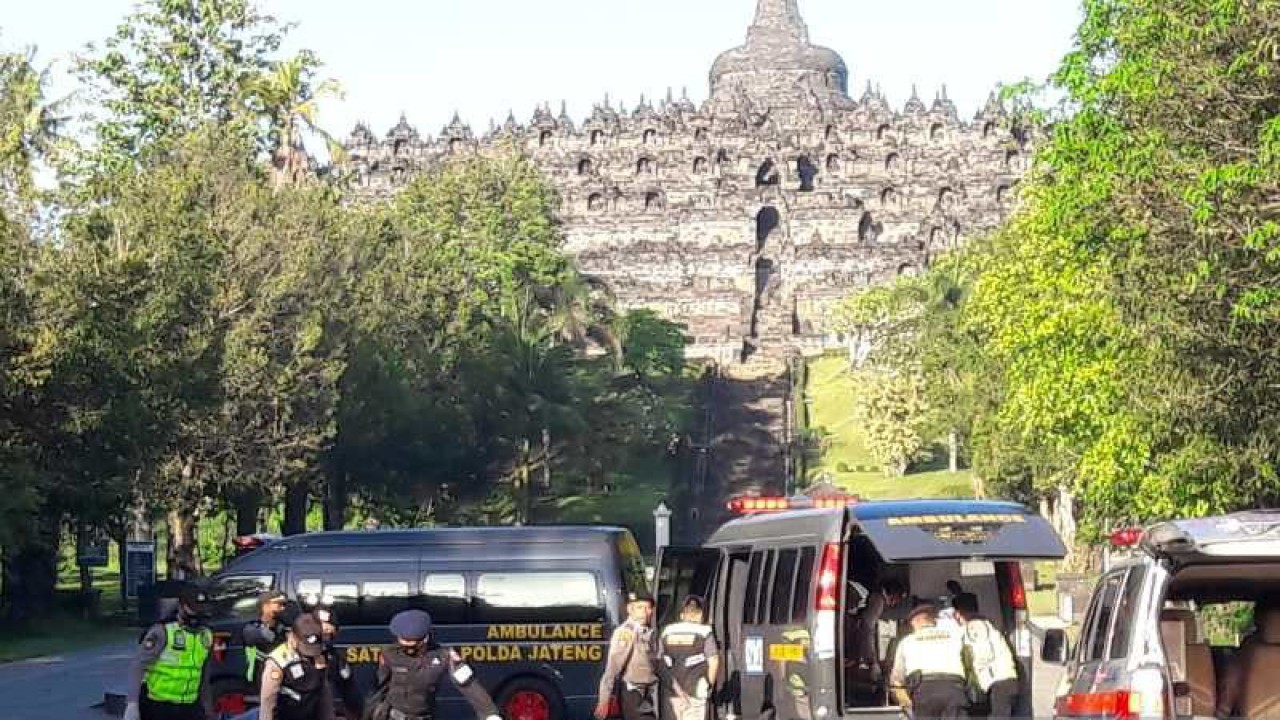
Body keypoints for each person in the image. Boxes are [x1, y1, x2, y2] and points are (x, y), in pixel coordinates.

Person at [372, 609, 501, 720]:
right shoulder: (389, 653)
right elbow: (380, 687)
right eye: (403, 642)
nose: (406, 648)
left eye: (412, 645)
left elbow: (469, 685)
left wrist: (490, 714)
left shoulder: (444, 656)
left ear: (425, 639)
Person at [124, 584, 216, 720]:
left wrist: (207, 708)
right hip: (158, 706)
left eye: (202, 610)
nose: (198, 614)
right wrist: (132, 704)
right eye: (194, 610)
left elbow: (204, 675)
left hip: (190, 707)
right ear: (181, 607)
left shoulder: (206, 636)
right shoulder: (163, 632)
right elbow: (138, 665)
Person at [888, 603, 968, 720]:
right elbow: (968, 660)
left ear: (916, 621)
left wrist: (907, 705)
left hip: (924, 690)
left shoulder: (907, 641)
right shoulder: (954, 635)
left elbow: (896, 681)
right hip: (954, 688)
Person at [952, 593, 1019, 718]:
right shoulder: (987, 625)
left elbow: (983, 654)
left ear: (958, 614)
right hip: (1003, 683)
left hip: (999, 683)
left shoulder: (975, 628)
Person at [595, 592, 659, 720]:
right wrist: (604, 699)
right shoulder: (627, 632)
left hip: (649, 693)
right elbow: (612, 668)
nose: (645, 612)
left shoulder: (648, 631)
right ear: (630, 609)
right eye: (640, 607)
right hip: (633, 693)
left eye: (648, 608)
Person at [259, 613, 334, 720]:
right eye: (306, 648)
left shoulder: (319, 655)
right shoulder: (278, 661)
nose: (310, 654)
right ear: (292, 637)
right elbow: (268, 702)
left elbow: (324, 693)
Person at [658, 596, 719, 720]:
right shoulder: (704, 632)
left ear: (682, 615)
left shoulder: (667, 631)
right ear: (700, 615)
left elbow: (658, 661)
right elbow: (714, 661)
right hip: (695, 691)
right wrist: (708, 685)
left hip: (671, 692)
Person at [847, 578, 908, 670]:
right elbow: (867, 629)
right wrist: (872, 662)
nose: (895, 604)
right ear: (893, 597)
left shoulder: (870, 592)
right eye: (898, 600)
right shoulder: (878, 599)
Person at [314, 605, 362, 720]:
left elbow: (348, 691)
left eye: (327, 630)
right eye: (319, 627)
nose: (323, 631)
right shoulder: (295, 655)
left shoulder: (335, 658)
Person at [243, 590, 290, 689]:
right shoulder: (252, 627)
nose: (283, 608)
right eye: (279, 604)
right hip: (264, 672)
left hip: (284, 671)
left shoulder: (282, 623)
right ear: (266, 605)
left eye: (284, 605)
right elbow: (269, 637)